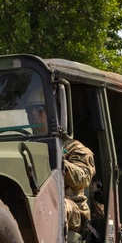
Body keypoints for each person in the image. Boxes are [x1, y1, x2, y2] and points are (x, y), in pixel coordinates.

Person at [25, 94, 96, 233]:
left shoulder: (75, 148)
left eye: (39, 109)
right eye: (29, 110)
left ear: (53, 113)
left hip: (72, 210)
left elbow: (83, 178)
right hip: (35, 202)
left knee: (50, 206)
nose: (33, 114)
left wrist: (60, 162)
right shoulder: (24, 146)